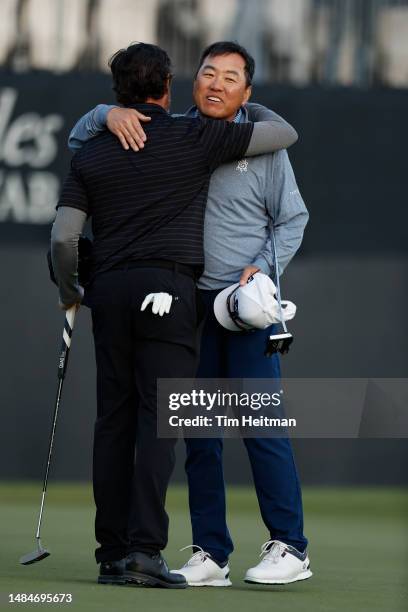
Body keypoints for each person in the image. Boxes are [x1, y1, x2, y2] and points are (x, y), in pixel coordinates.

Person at [52, 42, 297, 588]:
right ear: (173, 84)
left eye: (231, 78)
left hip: (181, 301)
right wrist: (107, 113)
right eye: (208, 73)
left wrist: (261, 269)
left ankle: (286, 546)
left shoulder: (102, 147)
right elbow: (284, 133)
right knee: (180, 428)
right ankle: (178, 550)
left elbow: (64, 236)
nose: (215, 84)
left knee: (243, 427)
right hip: (178, 298)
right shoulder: (190, 133)